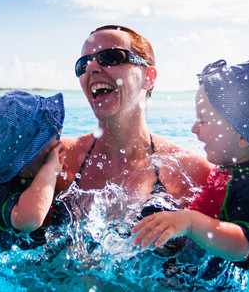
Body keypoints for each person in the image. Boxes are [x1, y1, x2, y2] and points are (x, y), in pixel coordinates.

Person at [131, 59, 249, 270]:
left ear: (243, 135)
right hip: (193, 258)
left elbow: (246, 247)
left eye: (204, 120)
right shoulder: (239, 167)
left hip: (203, 281)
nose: (194, 128)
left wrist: (189, 222)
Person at [57, 25, 212, 208]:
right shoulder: (60, 158)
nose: (90, 68)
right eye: (82, 65)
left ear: (148, 77)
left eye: (110, 57)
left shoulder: (194, 172)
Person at [0, 90, 66, 251]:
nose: (59, 132)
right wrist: (50, 169)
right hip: (22, 268)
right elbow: (30, 219)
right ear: (29, 156)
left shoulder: (24, 168)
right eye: (51, 134)